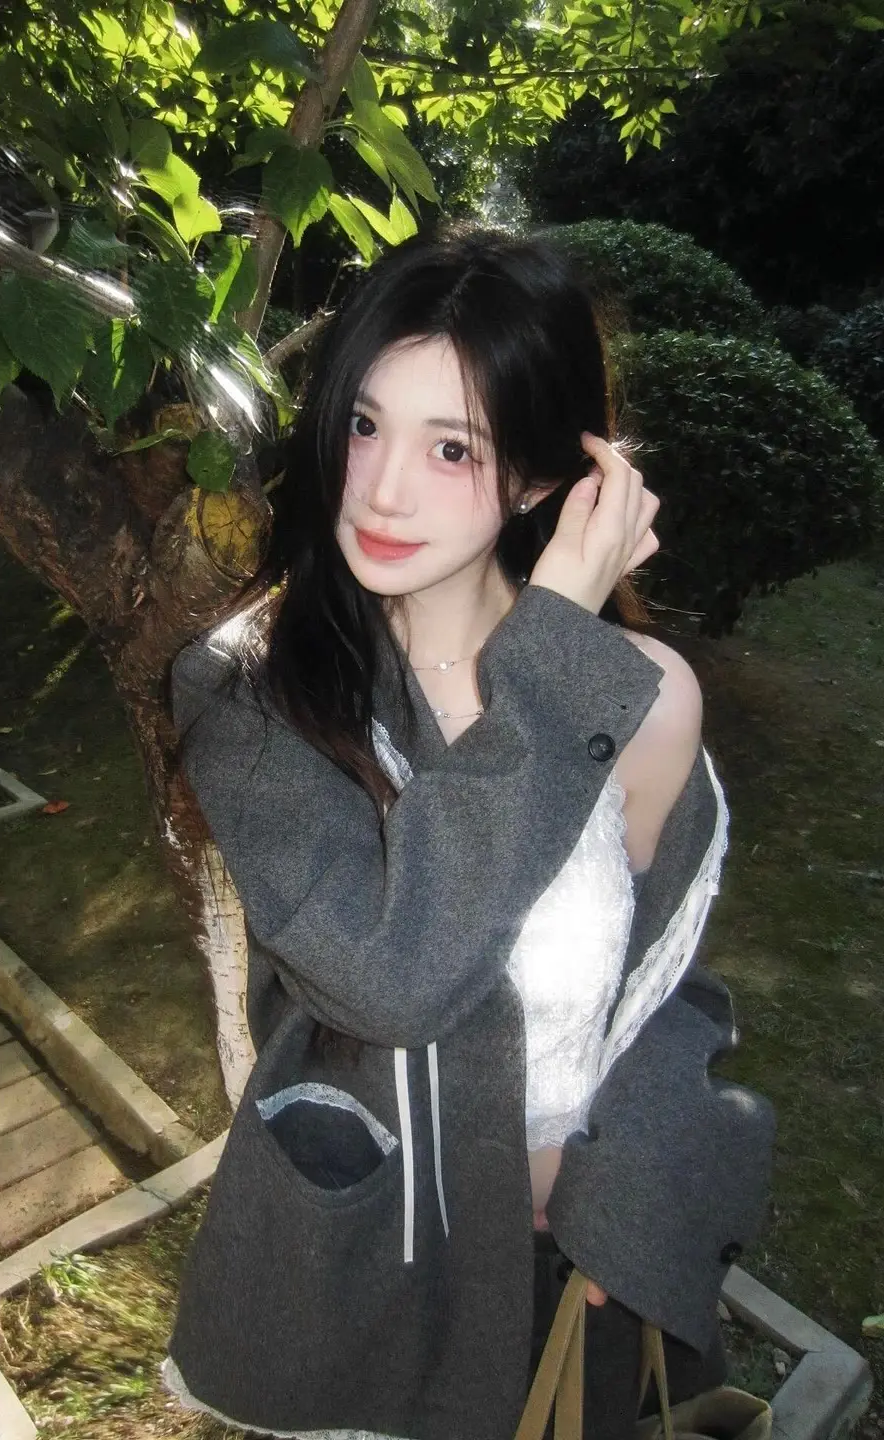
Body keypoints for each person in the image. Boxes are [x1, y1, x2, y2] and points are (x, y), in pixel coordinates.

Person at [160, 225, 775, 1440]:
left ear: (544, 479)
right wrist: (551, 652)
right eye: (364, 424)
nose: (382, 489)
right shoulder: (252, 695)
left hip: (574, 1274)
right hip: (375, 1281)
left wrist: (632, 1189)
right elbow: (394, 976)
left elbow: (662, 992)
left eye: (453, 447)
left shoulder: (643, 700)